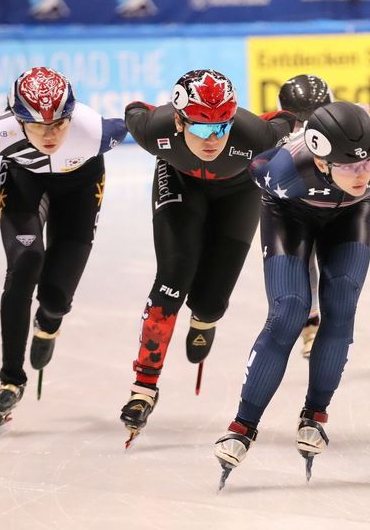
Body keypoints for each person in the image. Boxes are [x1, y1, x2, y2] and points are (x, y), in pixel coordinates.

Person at [213, 101, 370, 487]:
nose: (362, 173)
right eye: (350, 166)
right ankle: (243, 424)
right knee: (288, 311)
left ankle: (315, 414)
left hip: (350, 217)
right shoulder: (285, 171)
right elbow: (252, 167)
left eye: (367, 162)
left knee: (342, 307)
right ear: (321, 162)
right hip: (290, 215)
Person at [119, 69, 294, 446]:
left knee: (211, 301)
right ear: (179, 121)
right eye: (200, 129)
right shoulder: (154, 130)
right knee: (173, 274)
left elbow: (288, 121)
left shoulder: (256, 136)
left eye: (221, 128)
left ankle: (205, 319)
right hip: (179, 180)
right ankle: (143, 387)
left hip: (239, 191)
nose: (212, 140)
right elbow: (135, 109)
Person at [0, 67, 127, 433]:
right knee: (25, 264)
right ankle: (11, 378)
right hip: (26, 191)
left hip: (79, 194)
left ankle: (49, 323)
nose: (51, 134)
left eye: (60, 123)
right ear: (17, 118)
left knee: (56, 298)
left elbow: (149, 124)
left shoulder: (96, 132)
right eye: (39, 126)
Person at [276, 74, 370, 360]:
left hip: (351, 200)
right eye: (300, 120)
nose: (307, 127)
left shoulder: (354, 118)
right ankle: (311, 325)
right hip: (311, 201)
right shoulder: (280, 132)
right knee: (306, 256)